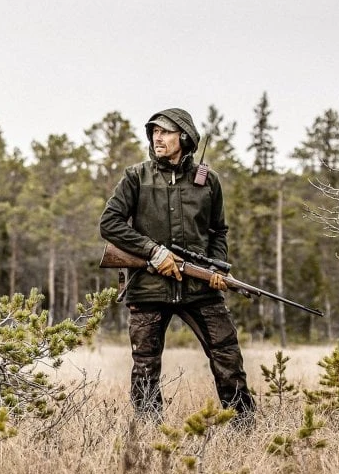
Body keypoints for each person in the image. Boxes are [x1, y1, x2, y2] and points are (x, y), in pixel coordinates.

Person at [99, 107, 255, 423]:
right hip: (148, 287)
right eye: (154, 132)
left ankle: (243, 423)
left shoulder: (208, 181)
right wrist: (153, 252)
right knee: (145, 364)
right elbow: (110, 223)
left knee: (227, 354)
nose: (158, 138)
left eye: (166, 132)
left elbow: (218, 232)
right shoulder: (136, 177)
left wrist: (217, 269)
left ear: (184, 137)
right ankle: (147, 430)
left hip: (199, 288)